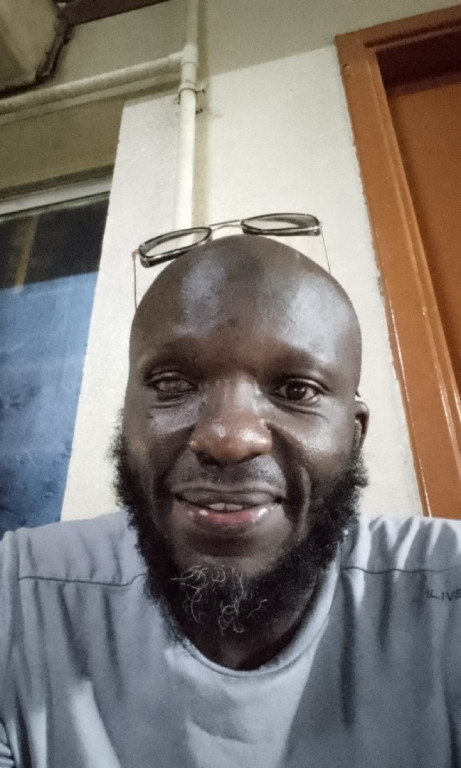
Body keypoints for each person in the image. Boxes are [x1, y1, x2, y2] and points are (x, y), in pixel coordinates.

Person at [1, 232, 460, 768]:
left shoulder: (447, 587)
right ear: (125, 419)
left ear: (354, 435)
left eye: (296, 390)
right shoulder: (20, 598)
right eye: (172, 383)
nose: (228, 438)